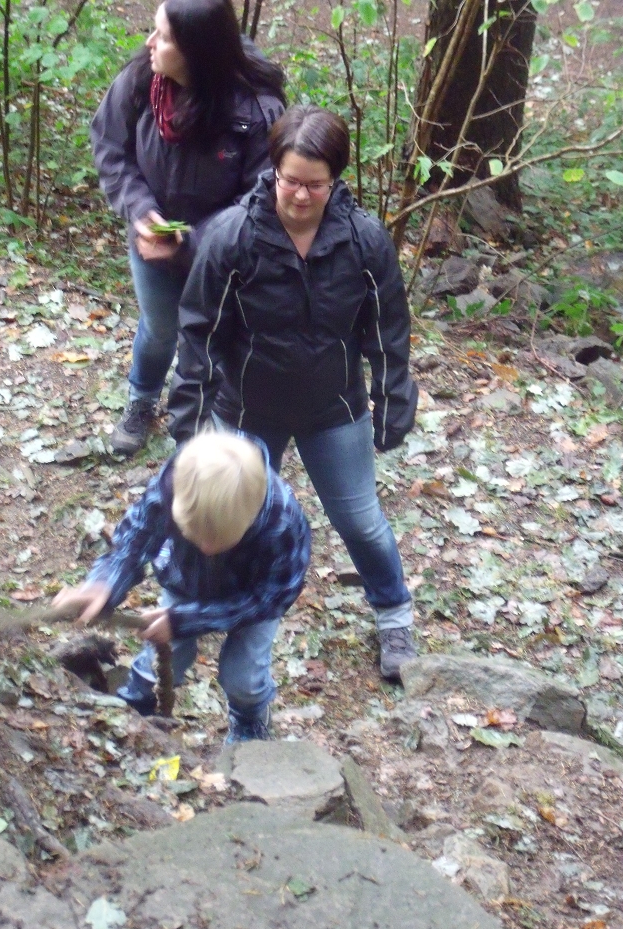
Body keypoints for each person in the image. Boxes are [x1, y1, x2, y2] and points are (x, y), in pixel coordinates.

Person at [168, 105, 420, 681]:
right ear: (273, 171)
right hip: (246, 410)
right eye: (291, 181)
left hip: (334, 408)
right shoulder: (232, 237)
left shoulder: (364, 241)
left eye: (316, 184)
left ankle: (394, 616)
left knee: (360, 521)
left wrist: (393, 398)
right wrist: (191, 425)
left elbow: (387, 329)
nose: (301, 196)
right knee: (225, 521)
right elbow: (198, 333)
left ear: (336, 180)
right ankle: (190, 622)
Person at [90, 0, 285, 455]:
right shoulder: (142, 79)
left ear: (197, 50)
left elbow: (260, 200)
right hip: (152, 238)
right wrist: (142, 212)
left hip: (228, 253)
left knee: (216, 333)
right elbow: (110, 146)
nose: (148, 42)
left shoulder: (257, 108)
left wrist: (193, 243)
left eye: (163, 36)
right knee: (160, 327)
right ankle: (142, 400)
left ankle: (211, 423)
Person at [52, 431, 310, 742]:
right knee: (163, 655)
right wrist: (103, 585)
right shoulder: (173, 486)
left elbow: (272, 597)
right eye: (194, 535)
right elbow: (134, 542)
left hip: (250, 599)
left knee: (243, 678)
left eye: (221, 540)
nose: (207, 548)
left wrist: (185, 621)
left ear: (252, 517)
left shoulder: (282, 522)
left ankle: (249, 717)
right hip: (185, 581)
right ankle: (141, 697)